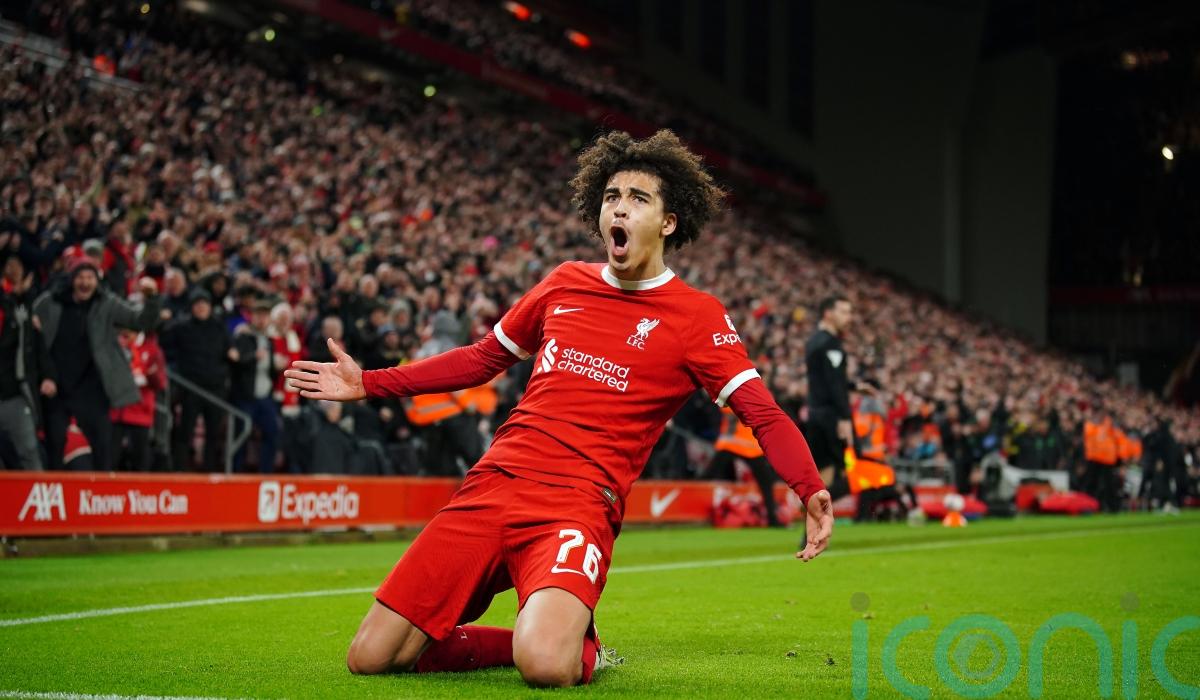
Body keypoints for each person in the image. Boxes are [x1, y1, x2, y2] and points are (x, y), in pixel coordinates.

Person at [286, 130, 833, 688]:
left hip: (578, 503)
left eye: (638, 198)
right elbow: (481, 359)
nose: (619, 208)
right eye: (611, 196)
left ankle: (577, 644)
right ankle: (525, 640)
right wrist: (370, 383)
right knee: (372, 657)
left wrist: (809, 487)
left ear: (669, 222)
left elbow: (763, 414)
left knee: (546, 665)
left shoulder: (697, 317)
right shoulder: (565, 283)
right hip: (494, 483)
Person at [34, 256, 162, 471]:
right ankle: (55, 488)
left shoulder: (107, 303)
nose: (85, 282)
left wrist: (152, 299)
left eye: (90, 277)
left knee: (102, 446)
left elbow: (141, 321)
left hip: (92, 388)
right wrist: (44, 374)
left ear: (97, 280)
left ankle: (101, 488)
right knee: (54, 444)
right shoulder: (50, 302)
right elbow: (30, 329)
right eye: (80, 277)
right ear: (72, 279)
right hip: (56, 385)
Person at [0, 257, 55, 470]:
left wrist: (49, 376)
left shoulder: (23, 311)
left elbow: (38, 348)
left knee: (29, 451)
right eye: (8, 266)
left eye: (17, 267)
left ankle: (38, 491)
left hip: (14, 393)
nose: (12, 270)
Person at [805, 294, 854, 501]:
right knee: (848, 474)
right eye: (844, 312)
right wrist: (845, 418)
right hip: (831, 418)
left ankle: (810, 516)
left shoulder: (813, 341)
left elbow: (824, 379)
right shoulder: (831, 344)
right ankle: (808, 508)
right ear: (828, 314)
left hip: (815, 414)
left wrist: (854, 386)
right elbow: (834, 384)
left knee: (822, 472)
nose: (849, 317)